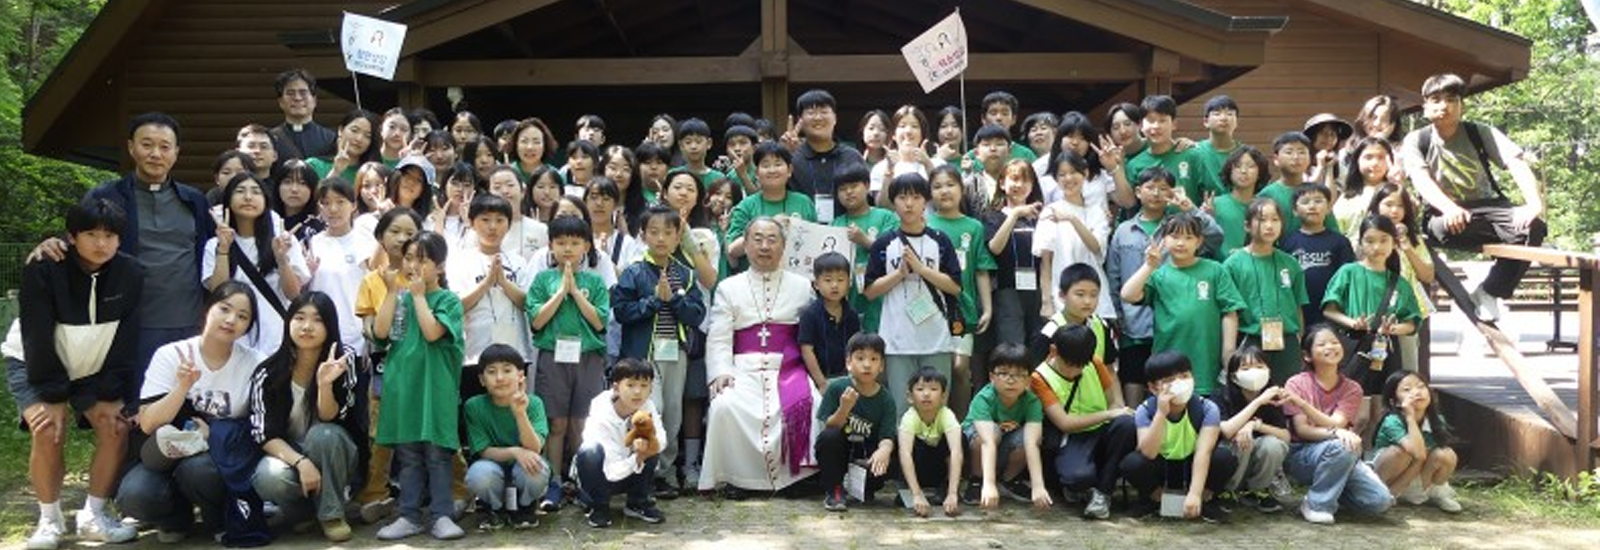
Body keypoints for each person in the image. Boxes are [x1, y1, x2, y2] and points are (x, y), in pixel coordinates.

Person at [30, 113, 216, 413]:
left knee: (189, 404)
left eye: (165, 146)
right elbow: (83, 238)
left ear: (176, 152)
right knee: (134, 405)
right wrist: (53, 243)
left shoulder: (193, 200)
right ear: (131, 147)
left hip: (189, 317)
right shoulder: (106, 195)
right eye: (147, 144)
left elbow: (211, 252)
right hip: (131, 321)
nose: (155, 154)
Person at [18, 198, 143, 549]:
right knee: (47, 429)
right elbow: (36, 335)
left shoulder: (131, 272)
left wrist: (110, 389)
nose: (101, 243)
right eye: (91, 234)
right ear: (72, 236)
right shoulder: (44, 267)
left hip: (95, 364)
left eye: (110, 236)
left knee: (115, 426)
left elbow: (126, 337)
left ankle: (94, 515)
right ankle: (49, 520)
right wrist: (52, 394)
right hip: (38, 363)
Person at [117, 282, 266, 543]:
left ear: (248, 326)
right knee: (135, 494)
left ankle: (219, 517)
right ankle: (175, 518)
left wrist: (213, 433)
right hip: (166, 453)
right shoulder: (170, 355)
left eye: (242, 316)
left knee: (198, 470)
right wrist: (182, 387)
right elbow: (148, 423)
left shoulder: (254, 362)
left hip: (218, 457)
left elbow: (258, 424)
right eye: (224, 309)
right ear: (208, 309)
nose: (231, 320)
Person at [1400, 73, 1547, 323]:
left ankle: (1489, 291)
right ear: (1425, 106)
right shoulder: (1417, 140)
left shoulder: (1479, 132)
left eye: (1451, 99)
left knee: (1533, 228)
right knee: (1441, 227)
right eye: (1436, 99)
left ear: (1462, 106)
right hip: (1442, 213)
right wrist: (1449, 208)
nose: (1444, 106)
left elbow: (1517, 163)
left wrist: (1533, 204)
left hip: (1487, 208)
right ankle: (1494, 270)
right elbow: (1421, 181)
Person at [699, 217, 821, 494]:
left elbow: (812, 333)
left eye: (772, 240)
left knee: (812, 401)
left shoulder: (803, 286)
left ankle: (798, 477)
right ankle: (738, 478)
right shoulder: (729, 287)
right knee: (724, 405)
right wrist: (720, 372)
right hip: (742, 369)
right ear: (746, 245)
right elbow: (719, 337)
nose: (764, 246)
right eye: (757, 239)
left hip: (788, 367)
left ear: (783, 246)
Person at [371, 232, 468, 541]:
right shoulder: (400, 298)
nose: (413, 265)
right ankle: (409, 515)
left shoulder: (448, 300)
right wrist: (390, 292)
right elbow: (380, 332)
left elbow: (432, 332)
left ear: (440, 266)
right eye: (409, 258)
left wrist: (418, 297)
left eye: (422, 260)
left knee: (438, 454)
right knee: (409, 455)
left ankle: (441, 515)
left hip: (435, 390)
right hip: (405, 389)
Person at [246, 292, 362, 542]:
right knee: (268, 476)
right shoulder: (267, 372)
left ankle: (331, 514)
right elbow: (264, 434)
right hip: (290, 456)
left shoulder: (344, 362)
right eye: (299, 318)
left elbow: (334, 419)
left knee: (324, 434)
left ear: (330, 326)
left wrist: (324, 385)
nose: (307, 326)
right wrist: (301, 462)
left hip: (335, 452)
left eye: (317, 320)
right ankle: (300, 514)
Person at [611, 204, 708, 496]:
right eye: (654, 232)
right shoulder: (634, 272)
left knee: (673, 414)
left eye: (668, 232)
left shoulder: (686, 274)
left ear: (678, 237)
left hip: (675, 353)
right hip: (643, 356)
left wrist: (675, 300)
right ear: (643, 235)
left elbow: (697, 314)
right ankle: (643, 470)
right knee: (651, 410)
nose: (661, 238)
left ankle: (664, 472)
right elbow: (621, 311)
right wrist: (653, 301)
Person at [526, 216, 611, 511]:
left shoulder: (594, 281)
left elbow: (600, 323)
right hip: (553, 356)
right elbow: (537, 321)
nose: (568, 249)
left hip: (588, 357)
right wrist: (561, 292)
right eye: (561, 243)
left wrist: (575, 292)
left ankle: (583, 480)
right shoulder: (543, 280)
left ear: (586, 246)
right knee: (556, 422)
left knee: (581, 423)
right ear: (550, 245)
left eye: (575, 243)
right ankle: (554, 481)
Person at [864, 173, 963, 416]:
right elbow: (869, 291)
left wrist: (921, 270)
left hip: (936, 338)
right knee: (902, 410)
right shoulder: (884, 243)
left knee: (937, 410)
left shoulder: (940, 240)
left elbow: (955, 286)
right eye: (902, 197)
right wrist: (899, 274)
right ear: (893, 202)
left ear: (926, 201)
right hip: (896, 340)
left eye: (916, 197)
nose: (909, 204)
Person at [1120, 210, 1243, 397]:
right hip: (1167, 361)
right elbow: (1127, 295)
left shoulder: (1215, 270)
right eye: (1175, 236)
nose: (1180, 243)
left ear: (1199, 242)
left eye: (1188, 237)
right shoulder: (1159, 275)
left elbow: (1230, 311)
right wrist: (1149, 266)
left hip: (1205, 361)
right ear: (1164, 240)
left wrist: (1228, 352)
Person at [349, 207, 422, 523]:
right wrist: (380, 331)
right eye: (395, 231)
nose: (402, 238)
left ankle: (451, 490)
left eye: (410, 233)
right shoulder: (371, 280)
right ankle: (375, 493)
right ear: (380, 236)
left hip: (421, 367)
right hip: (384, 367)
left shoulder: (424, 276)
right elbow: (368, 325)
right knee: (380, 433)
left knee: (427, 428)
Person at [1281, 324, 1393, 524]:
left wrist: (1306, 407)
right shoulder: (1296, 383)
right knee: (1342, 446)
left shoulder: (1352, 388)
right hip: (1303, 454)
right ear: (1307, 356)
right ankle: (1317, 504)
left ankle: (1332, 488)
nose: (1331, 347)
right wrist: (1336, 433)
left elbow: (1337, 423)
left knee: (1379, 501)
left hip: (1341, 451)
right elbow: (1303, 430)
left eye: (1334, 342)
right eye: (1322, 344)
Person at [1322, 215, 1421, 433]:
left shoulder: (1399, 283)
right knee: (1357, 416)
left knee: (1381, 413)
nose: (1377, 247)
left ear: (1394, 243)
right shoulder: (1348, 272)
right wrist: (1352, 323)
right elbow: (1329, 309)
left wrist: (1395, 329)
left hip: (1387, 350)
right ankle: (1347, 450)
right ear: (1360, 243)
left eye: (1384, 240)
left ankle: (1374, 453)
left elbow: (1412, 322)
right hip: (1355, 348)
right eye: (1370, 240)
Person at [1120, 351, 1237, 522]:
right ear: (1153, 388)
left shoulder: (1208, 408)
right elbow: (1148, 453)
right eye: (1169, 380)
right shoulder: (1145, 410)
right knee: (1133, 463)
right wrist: (1161, 414)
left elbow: (1203, 452)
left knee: (1224, 458)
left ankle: (1205, 500)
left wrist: (1195, 493)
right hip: (1160, 465)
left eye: (1184, 376)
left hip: (1192, 464)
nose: (1179, 383)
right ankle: (1154, 499)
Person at [203, 173, 311, 356]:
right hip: (233, 337)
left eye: (255, 192)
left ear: (265, 201)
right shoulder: (215, 244)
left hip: (276, 337)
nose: (248, 197)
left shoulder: (283, 241)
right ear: (228, 200)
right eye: (240, 191)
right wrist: (223, 249)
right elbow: (217, 292)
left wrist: (281, 258)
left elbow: (293, 294)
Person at [1032, 324, 1133, 520]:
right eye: (1069, 364)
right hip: (1072, 436)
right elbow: (1064, 423)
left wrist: (1116, 413)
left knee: (1127, 424)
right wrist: (1108, 415)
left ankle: (1103, 493)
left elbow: (1112, 400)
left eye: (1080, 365)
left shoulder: (1095, 363)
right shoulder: (1040, 378)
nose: (1075, 371)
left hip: (1102, 432)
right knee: (1077, 477)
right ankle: (1084, 488)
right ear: (1054, 351)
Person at [928, 165, 997, 413]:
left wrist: (986, 308)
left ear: (961, 189)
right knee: (937, 371)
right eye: (937, 186)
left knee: (960, 368)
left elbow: (981, 269)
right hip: (929, 311)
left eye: (950, 185)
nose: (944, 191)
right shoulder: (924, 224)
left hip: (962, 311)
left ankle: (960, 425)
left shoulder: (974, 227)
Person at [1223, 198, 1310, 385]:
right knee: (1252, 393)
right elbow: (1229, 312)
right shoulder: (1233, 264)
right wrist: (1228, 352)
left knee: (1287, 393)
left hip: (1286, 341)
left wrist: (1299, 339)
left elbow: (1297, 306)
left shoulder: (1291, 263)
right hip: (1251, 340)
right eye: (1262, 220)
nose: (1269, 226)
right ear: (1247, 225)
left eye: (1275, 219)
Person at [463, 344, 549, 531]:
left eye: (507, 370)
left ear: (520, 376)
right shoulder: (474, 406)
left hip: (524, 466)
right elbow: (483, 451)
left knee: (536, 469)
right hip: (492, 465)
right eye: (492, 372)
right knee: (479, 475)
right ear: (482, 379)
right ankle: (495, 508)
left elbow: (534, 448)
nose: (500, 378)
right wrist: (515, 452)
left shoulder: (534, 403)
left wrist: (520, 414)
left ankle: (526, 506)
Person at [572, 358, 666, 528]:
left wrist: (645, 450)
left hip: (629, 467)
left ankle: (637, 502)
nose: (637, 392)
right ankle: (599, 505)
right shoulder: (600, 407)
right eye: (630, 385)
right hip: (603, 472)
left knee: (652, 443)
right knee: (590, 451)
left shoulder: (648, 406)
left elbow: (661, 440)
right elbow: (611, 467)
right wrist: (637, 458)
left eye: (644, 386)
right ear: (616, 387)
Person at [960, 344, 1050, 510]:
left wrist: (1038, 486)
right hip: (977, 451)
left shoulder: (1032, 402)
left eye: (1019, 375)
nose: (1011, 380)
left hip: (1004, 447)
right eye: (1003, 373)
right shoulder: (984, 399)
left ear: (1028, 379)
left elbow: (1031, 443)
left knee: (1032, 437)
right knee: (991, 433)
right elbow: (987, 442)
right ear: (991, 376)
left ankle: (1008, 481)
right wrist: (988, 484)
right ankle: (977, 481)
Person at [814, 333, 898, 511]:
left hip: (867, 456)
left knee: (895, 448)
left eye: (874, 359)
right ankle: (835, 491)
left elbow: (887, 436)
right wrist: (844, 408)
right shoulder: (837, 388)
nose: (867, 365)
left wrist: (884, 450)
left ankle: (867, 488)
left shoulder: (886, 399)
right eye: (860, 358)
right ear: (849, 363)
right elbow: (829, 427)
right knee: (829, 437)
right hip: (842, 452)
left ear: (881, 365)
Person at [1215, 346, 1295, 513]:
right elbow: (1227, 431)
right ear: (1234, 376)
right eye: (1245, 368)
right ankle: (1227, 492)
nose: (1254, 372)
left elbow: (1285, 436)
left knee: (1273, 444)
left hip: (1257, 458)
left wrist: (1256, 425)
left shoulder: (1274, 399)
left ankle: (1258, 490)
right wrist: (1258, 402)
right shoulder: (1221, 396)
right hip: (1232, 455)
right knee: (1243, 440)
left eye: (1259, 366)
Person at [1369, 183, 1437, 374]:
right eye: (1388, 204)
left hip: (1405, 312)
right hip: (1373, 310)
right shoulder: (1366, 236)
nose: (1394, 210)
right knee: (1372, 371)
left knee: (1407, 369)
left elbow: (1427, 275)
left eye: (1400, 206)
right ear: (1376, 205)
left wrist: (1407, 247)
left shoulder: (1413, 239)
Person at [1371, 371, 1461, 513]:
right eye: (1407, 389)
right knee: (1401, 452)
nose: (1417, 392)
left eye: (1421, 387)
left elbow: (1425, 458)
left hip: (1419, 476)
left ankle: (1436, 495)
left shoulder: (1436, 420)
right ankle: (1383, 495)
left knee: (1446, 454)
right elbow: (1417, 453)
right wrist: (1410, 418)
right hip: (1392, 476)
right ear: (1394, 401)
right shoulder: (1392, 421)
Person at [1278, 183, 1356, 336]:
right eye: (1305, 202)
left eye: (1318, 201)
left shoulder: (1340, 242)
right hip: (1298, 312)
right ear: (1295, 211)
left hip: (1331, 313)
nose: (1312, 206)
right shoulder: (1287, 242)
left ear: (1328, 208)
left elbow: (1347, 280)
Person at [829, 165, 899, 332]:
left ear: (867, 186)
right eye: (842, 189)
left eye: (854, 186)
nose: (848, 192)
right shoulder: (835, 224)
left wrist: (865, 241)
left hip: (882, 298)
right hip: (848, 297)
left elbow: (894, 254)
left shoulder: (886, 217)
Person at [725, 142, 818, 261]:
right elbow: (732, 250)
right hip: (756, 271)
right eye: (766, 165)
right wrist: (772, 225)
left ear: (789, 170)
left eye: (778, 164)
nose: (772, 170)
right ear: (757, 173)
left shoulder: (804, 202)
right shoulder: (746, 206)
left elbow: (815, 243)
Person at [1123, 95, 1223, 205]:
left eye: (1162, 120)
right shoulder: (1134, 164)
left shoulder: (1193, 155)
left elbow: (1215, 195)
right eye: (1150, 121)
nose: (1156, 126)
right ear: (1141, 126)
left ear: (1174, 124)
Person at [897, 366, 963, 518]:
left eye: (933, 389)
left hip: (940, 468)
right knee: (901, 444)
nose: (926, 394)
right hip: (919, 467)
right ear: (910, 396)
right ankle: (908, 487)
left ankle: (946, 488)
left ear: (943, 397)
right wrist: (916, 494)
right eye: (920, 389)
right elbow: (905, 454)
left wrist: (953, 493)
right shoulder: (909, 418)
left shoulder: (947, 415)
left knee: (962, 439)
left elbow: (956, 452)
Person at [784, 89, 865, 207]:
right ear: (800, 120)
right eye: (811, 113)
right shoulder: (792, 158)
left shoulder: (852, 157)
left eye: (824, 112)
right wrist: (783, 155)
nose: (818, 118)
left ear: (835, 118)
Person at [799, 252, 860, 386]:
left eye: (840, 280)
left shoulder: (852, 314)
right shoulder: (809, 314)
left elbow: (856, 348)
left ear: (849, 283)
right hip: (817, 381)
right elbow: (807, 350)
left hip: (848, 379)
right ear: (816, 284)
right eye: (828, 280)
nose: (834, 285)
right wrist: (821, 383)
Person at [1210, 146, 1272, 256]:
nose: (1244, 171)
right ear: (1229, 171)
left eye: (1251, 166)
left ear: (1260, 172)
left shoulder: (1265, 207)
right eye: (1238, 166)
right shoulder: (1214, 204)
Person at [270, 69, 337, 160]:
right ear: (280, 102)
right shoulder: (271, 139)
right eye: (290, 93)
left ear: (314, 101)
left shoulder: (330, 139)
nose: (297, 98)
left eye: (303, 93)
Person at [307, 109, 379, 183]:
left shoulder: (372, 173)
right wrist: (336, 171)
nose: (359, 139)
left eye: (367, 136)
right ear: (340, 130)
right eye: (354, 130)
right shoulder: (314, 165)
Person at [1193, 95, 1243, 190]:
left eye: (1230, 114)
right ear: (1206, 121)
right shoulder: (1195, 151)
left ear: (1236, 122)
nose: (1224, 118)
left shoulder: (1245, 154)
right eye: (1217, 114)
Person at [669, 118, 727, 188]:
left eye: (698, 141)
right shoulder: (673, 175)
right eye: (688, 142)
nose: (693, 146)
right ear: (681, 145)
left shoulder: (719, 178)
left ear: (709, 143)